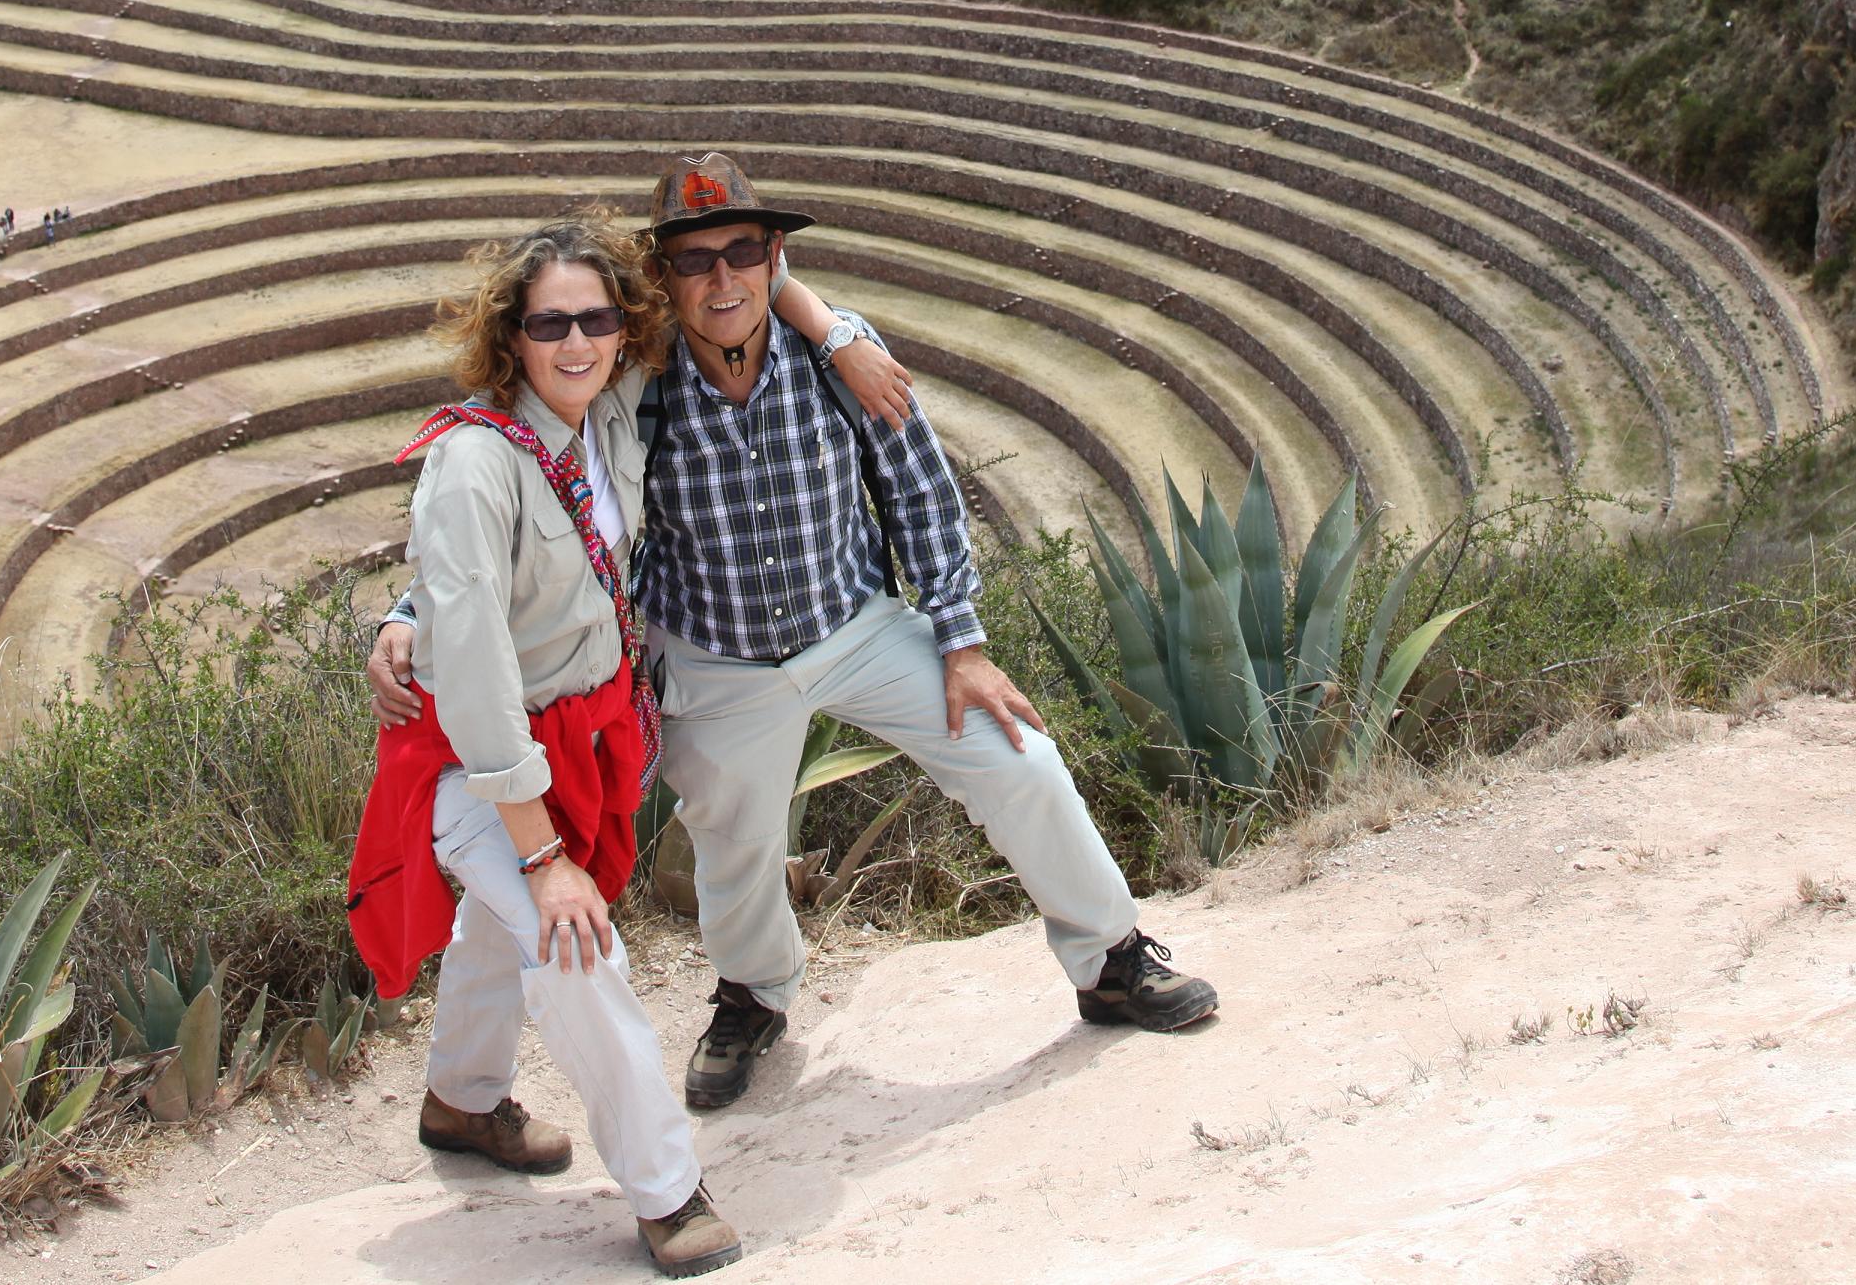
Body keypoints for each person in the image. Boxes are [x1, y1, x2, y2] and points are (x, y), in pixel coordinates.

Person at [374, 154, 1217, 1117]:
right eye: (695, 260)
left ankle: (1110, 957)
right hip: (716, 652)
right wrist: (412, 612)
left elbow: (919, 489)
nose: (721, 279)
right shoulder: (633, 385)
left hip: (856, 625)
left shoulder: (838, 359)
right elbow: (528, 484)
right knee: (732, 842)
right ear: (664, 278)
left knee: (1016, 755)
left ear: (774, 258)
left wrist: (963, 642)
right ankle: (753, 994)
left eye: (742, 252)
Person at [348, 218, 884, 1276]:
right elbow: (476, 670)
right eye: (550, 324)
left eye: (597, 320)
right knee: (574, 943)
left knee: (499, 926)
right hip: (480, 759)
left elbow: (729, 285)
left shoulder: (607, 412)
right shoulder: (472, 462)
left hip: (582, 740)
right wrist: (542, 855)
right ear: (509, 336)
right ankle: (667, 1192)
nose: (577, 342)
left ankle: (460, 1102)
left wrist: (835, 333)